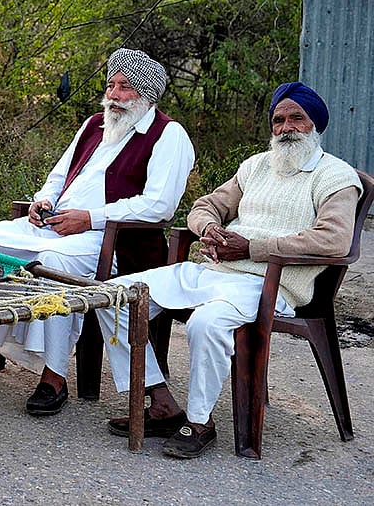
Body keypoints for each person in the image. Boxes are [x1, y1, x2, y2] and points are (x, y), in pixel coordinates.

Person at [0, 48, 195, 417]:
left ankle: (54, 376)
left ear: (146, 94)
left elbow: (159, 206)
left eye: (125, 87)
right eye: (111, 85)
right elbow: (59, 175)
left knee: (53, 264)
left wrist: (90, 218)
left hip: (113, 242)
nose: (113, 95)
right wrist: (42, 202)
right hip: (55, 226)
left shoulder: (169, 135)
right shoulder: (96, 124)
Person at [94, 81, 361, 459]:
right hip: (214, 270)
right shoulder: (255, 166)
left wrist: (253, 248)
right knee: (115, 297)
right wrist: (210, 228)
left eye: (296, 119)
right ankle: (161, 402)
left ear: (315, 125)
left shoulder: (335, 176)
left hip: (270, 284)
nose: (286, 128)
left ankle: (200, 422)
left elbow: (334, 241)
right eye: (278, 120)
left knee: (207, 323)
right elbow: (205, 206)